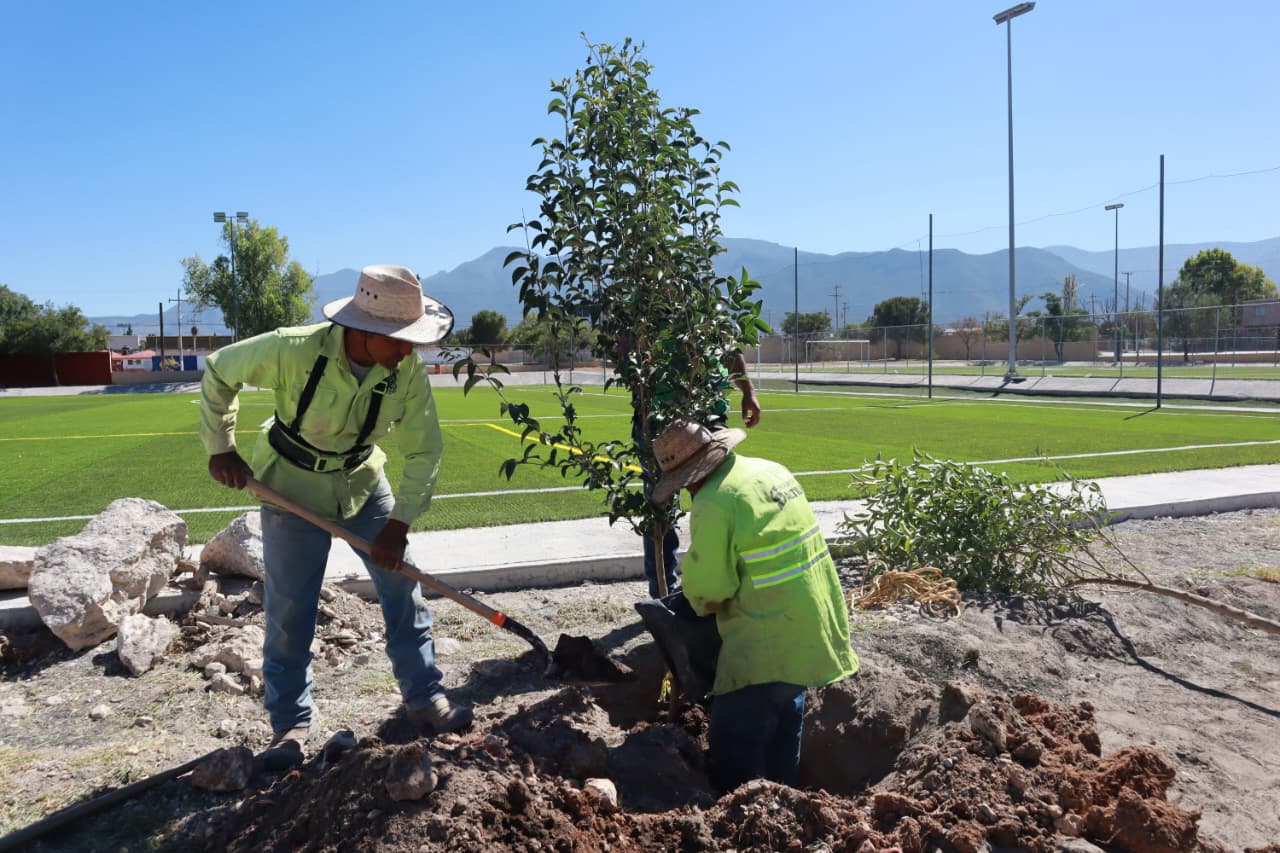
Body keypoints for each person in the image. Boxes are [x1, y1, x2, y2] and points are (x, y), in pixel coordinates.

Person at [199, 264, 472, 754]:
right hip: (290, 487)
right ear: (364, 331)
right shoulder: (292, 350)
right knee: (290, 609)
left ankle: (424, 696)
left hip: (362, 482)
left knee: (402, 588)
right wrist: (221, 447)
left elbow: (425, 449)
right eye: (400, 341)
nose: (408, 352)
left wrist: (398, 524)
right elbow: (220, 369)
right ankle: (291, 725)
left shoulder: (405, 370)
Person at [649, 418, 858, 791]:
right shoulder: (770, 471)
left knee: (734, 736)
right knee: (785, 719)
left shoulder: (714, 501)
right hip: (810, 622)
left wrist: (694, 608)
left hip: (766, 638)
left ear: (686, 477)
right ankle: (786, 801)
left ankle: (744, 813)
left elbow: (709, 590)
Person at [637, 349, 761, 598]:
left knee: (718, 505)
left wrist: (749, 392)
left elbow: (730, 349)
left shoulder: (712, 321)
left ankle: (719, 590)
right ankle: (663, 597)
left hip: (708, 419)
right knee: (659, 513)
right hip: (658, 423)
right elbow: (628, 351)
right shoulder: (647, 322)